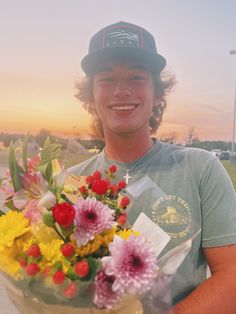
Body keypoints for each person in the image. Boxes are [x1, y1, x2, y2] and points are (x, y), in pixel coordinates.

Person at [70, 21, 236, 313]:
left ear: (158, 93)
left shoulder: (200, 168)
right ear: (90, 97)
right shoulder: (70, 184)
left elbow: (231, 274)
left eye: (136, 77)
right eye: (106, 79)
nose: (121, 90)